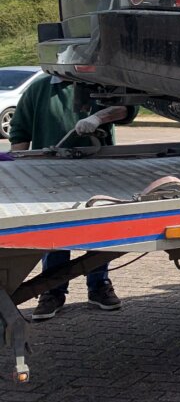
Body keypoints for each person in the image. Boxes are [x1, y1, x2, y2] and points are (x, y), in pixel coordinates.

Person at [8, 75, 136, 321]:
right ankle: (52, 291)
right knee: (57, 231)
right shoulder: (39, 89)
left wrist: (98, 117)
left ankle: (99, 286)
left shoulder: (101, 84)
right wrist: (19, 171)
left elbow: (127, 109)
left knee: (98, 226)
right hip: (51, 174)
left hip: (99, 168)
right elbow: (20, 132)